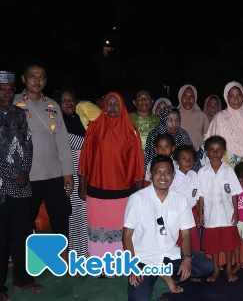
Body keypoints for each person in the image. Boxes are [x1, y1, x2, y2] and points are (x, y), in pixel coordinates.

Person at [124, 155, 214, 301]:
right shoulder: (137, 199)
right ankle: (163, 275)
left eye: (167, 172)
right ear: (151, 174)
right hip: (144, 259)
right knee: (139, 299)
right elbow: (127, 236)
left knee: (206, 267)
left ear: (173, 175)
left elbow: (186, 235)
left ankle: (165, 273)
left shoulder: (181, 200)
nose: (162, 176)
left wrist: (187, 258)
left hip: (170, 255)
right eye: (157, 172)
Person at [14, 62, 74, 260]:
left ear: (46, 81)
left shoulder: (53, 105)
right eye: (32, 76)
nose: (37, 81)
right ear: (24, 79)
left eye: (41, 77)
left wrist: (68, 173)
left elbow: (63, 141)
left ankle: (62, 256)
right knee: (24, 219)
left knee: (60, 215)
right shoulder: (13, 103)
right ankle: (23, 259)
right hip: (26, 174)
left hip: (53, 172)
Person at [79, 92, 145, 269]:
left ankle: (120, 263)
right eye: (109, 103)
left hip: (123, 190)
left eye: (117, 104)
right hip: (96, 187)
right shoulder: (94, 128)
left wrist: (139, 188)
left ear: (123, 106)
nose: (113, 107)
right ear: (103, 106)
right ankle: (99, 264)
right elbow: (85, 157)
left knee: (120, 227)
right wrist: (82, 183)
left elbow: (138, 161)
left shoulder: (131, 132)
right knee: (98, 226)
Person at [0, 71, 43, 299]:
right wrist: (13, 174)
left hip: (22, 185)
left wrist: (24, 171)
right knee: (1, 237)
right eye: (2, 89)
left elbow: (28, 145)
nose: (7, 94)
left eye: (10, 90)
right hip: (2, 187)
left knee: (23, 234)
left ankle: (21, 279)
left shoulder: (19, 113)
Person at [197, 136, 243, 282]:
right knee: (214, 245)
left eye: (218, 150)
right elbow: (200, 195)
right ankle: (216, 269)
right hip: (210, 215)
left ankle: (229, 268)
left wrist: (236, 211)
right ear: (206, 152)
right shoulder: (202, 172)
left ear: (224, 152)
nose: (215, 153)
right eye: (212, 150)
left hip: (226, 214)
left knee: (229, 244)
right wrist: (200, 213)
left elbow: (235, 193)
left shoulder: (228, 170)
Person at [206, 82, 243, 182]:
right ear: (226, 97)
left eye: (238, 95)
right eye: (232, 96)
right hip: (225, 172)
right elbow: (212, 147)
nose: (236, 99)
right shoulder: (220, 118)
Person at [57, 89, 89, 259]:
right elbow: (82, 143)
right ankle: (77, 255)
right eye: (64, 100)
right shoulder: (59, 125)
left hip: (85, 174)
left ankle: (86, 253)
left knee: (85, 214)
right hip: (69, 174)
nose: (69, 103)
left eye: (71, 99)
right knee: (74, 215)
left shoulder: (81, 122)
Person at [145, 106, 197, 172]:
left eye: (177, 120)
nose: (174, 124)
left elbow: (192, 156)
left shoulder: (182, 134)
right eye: (170, 120)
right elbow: (148, 159)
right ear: (163, 119)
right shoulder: (154, 134)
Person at [171, 145, 202, 253]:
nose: (188, 162)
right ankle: (180, 262)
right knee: (179, 238)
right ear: (177, 160)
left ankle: (194, 262)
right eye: (184, 159)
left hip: (192, 211)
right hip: (176, 212)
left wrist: (199, 214)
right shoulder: (173, 176)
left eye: (191, 159)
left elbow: (197, 196)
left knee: (193, 237)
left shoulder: (194, 175)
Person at [177, 84, 210, 150]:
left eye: (191, 96)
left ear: (195, 98)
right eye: (185, 96)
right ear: (180, 97)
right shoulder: (175, 116)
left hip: (199, 154)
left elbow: (208, 137)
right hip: (180, 155)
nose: (188, 100)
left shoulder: (202, 116)